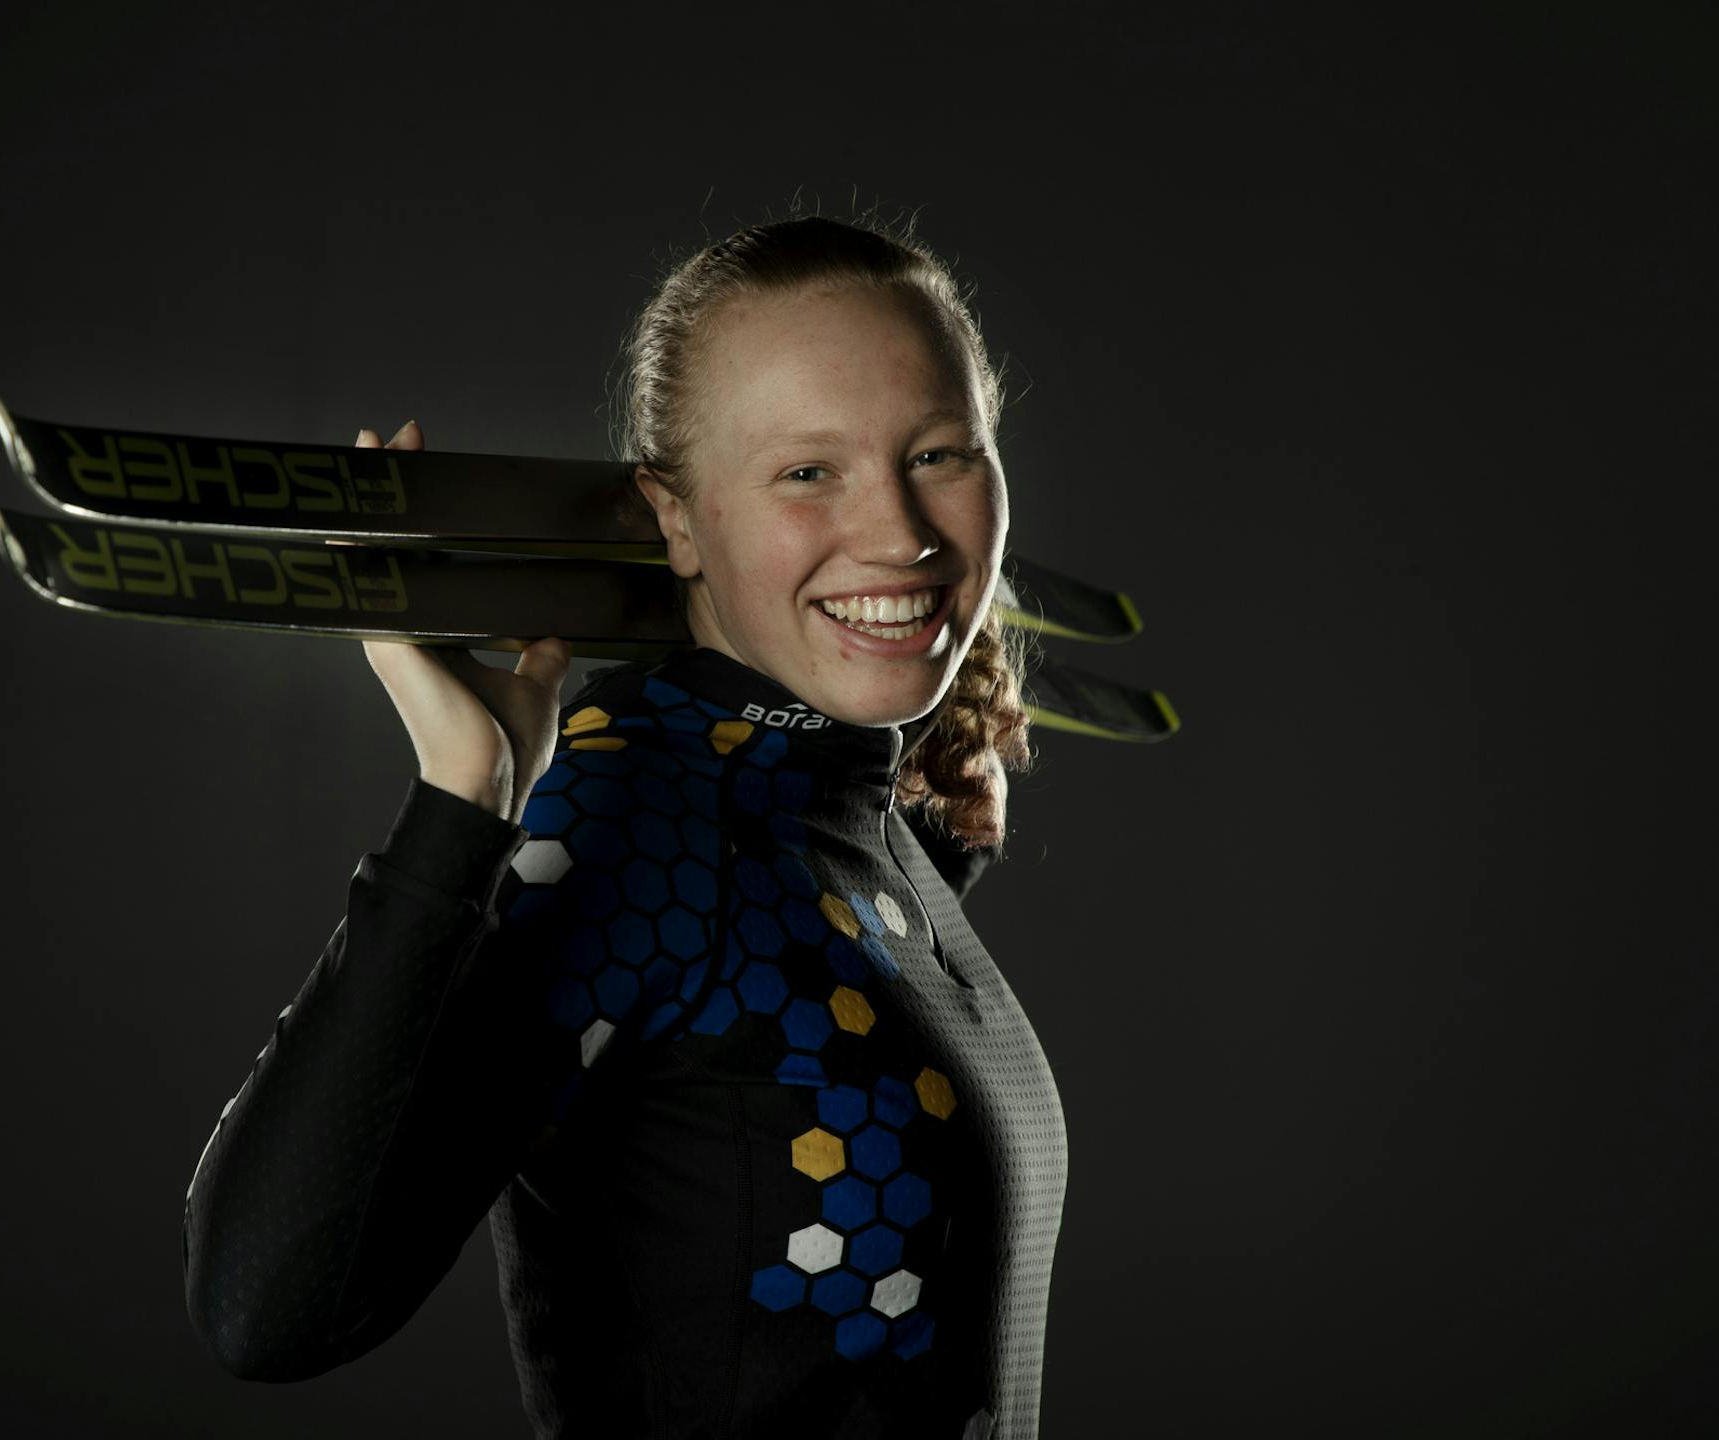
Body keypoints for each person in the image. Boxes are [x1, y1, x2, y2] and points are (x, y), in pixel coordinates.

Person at [181, 212, 1065, 1440]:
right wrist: (459, 801)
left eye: (940, 454)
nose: (900, 532)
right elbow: (263, 1307)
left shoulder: (841, 808)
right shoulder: (629, 821)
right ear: (679, 519)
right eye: (808, 471)